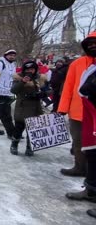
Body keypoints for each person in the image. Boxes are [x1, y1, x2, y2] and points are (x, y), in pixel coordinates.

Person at [64, 31, 96, 219]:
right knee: (91, 153)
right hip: (87, 114)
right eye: (89, 43)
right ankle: (91, 189)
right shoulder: (83, 65)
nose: (92, 46)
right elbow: (73, 87)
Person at [58, 32, 96, 177]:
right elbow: (68, 87)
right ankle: (79, 167)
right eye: (89, 44)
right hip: (77, 112)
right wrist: (62, 108)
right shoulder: (76, 64)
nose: (92, 46)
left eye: (95, 43)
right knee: (78, 142)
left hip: (94, 113)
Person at [9, 60, 50, 156]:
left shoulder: (40, 78)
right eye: (27, 69)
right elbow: (13, 90)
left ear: (35, 69)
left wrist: (42, 94)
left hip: (36, 108)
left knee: (32, 130)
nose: (30, 71)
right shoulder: (19, 77)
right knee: (18, 128)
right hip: (22, 107)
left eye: (32, 69)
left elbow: (49, 90)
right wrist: (23, 81)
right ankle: (14, 145)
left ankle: (29, 147)